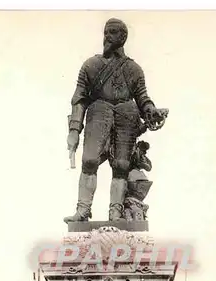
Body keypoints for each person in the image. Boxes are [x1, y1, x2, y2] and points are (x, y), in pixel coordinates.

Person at [64, 18, 165, 223]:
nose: (107, 37)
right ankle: (83, 210)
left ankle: (116, 212)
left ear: (123, 37)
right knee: (89, 160)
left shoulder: (134, 69)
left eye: (112, 33)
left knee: (121, 165)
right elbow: (79, 98)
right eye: (105, 32)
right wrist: (74, 129)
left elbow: (142, 97)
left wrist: (150, 110)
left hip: (127, 114)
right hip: (98, 111)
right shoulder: (91, 65)